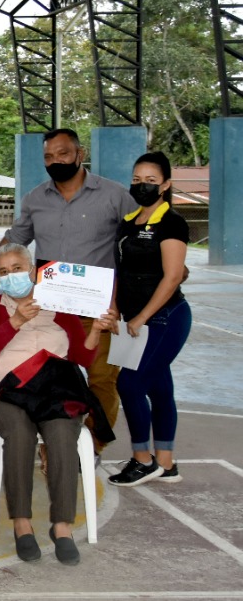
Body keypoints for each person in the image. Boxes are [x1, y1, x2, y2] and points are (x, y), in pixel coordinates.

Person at [0, 242, 118, 565]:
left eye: (18, 268)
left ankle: (61, 526)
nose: (11, 276)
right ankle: (22, 523)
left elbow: (81, 356)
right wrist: (15, 321)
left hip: (54, 389)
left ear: (33, 271)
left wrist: (97, 330)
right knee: (20, 434)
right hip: (5, 391)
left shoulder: (59, 304)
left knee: (63, 434)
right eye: (4, 272)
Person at [0, 128, 138, 457]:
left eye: (63, 153)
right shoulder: (34, 199)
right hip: (51, 309)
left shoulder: (115, 195)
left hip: (99, 310)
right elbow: (14, 241)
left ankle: (92, 449)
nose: (55, 161)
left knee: (102, 379)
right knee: (50, 378)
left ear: (79, 153)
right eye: (48, 156)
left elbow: (138, 238)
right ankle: (57, 445)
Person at [110, 152, 192, 487]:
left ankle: (143, 460)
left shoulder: (172, 223)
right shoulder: (128, 222)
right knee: (159, 388)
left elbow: (173, 276)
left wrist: (142, 316)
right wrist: (115, 308)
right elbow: (120, 270)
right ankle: (166, 463)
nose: (142, 185)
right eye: (137, 179)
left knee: (129, 384)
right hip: (133, 320)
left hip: (165, 318)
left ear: (166, 184)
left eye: (150, 181)